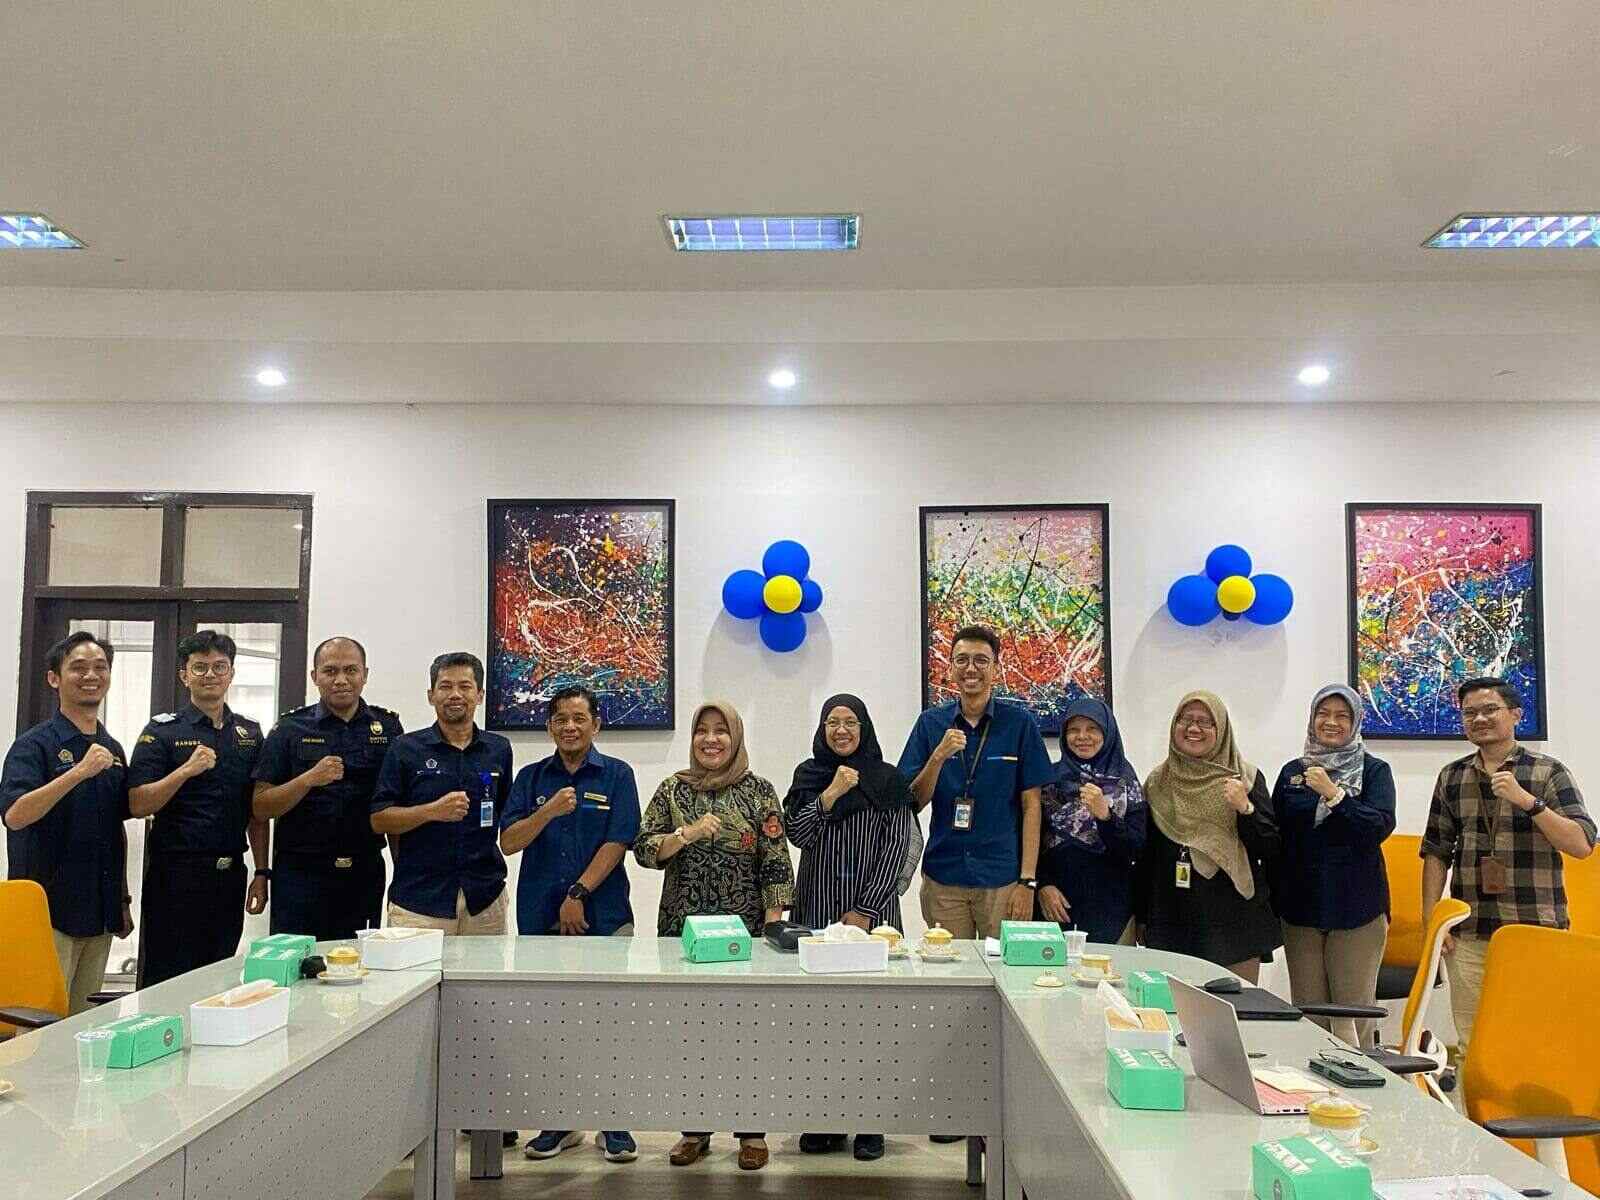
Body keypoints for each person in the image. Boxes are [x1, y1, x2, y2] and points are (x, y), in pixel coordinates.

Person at [635, 700, 794, 1172]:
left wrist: (771, 929)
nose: (710, 740)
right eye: (701, 731)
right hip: (682, 935)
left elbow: (776, 862)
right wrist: (683, 834)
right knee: (690, 1034)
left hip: (744, 936)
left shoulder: (759, 791)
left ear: (736, 737)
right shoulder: (673, 789)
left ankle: (752, 1132)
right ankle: (694, 1130)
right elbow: (643, 847)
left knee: (748, 1035)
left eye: (720, 731)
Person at [1421, 676, 1595, 1073]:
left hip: (1535, 931)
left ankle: (1532, 1115)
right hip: (1470, 932)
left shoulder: (1548, 772)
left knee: (1536, 1040)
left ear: (1515, 714)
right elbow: (1435, 851)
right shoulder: (1452, 776)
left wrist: (1528, 802)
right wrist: (1433, 918)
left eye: (1490, 710)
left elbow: (1581, 844)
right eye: (1470, 713)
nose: (1479, 719)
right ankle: (1475, 1115)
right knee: (1473, 1044)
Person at [501, 684, 641, 1166]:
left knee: (609, 1021)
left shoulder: (618, 775)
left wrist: (577, 894)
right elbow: (509, 842)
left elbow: (619, 842)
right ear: (549, 727)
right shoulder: (531, 777)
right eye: (561, 718)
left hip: (605, 915)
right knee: (551, 1023)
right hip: (539, 916)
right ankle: (559, 1122)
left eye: (579, 718)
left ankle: (614, 1123)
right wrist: (547, 811)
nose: (570, 726)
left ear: (596, 724)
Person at [785, 693, 920, 1164]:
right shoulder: (810, 776)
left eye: (850, 722)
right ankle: (824, 1118)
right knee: (819, 1021)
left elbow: (897, 848)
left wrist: (864, 910)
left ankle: (871, 1123)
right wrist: (830, 795)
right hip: (817, 912)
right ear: (822, 730)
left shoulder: (888, 780)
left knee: (874, 1022)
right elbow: (797, 835)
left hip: (873, 917)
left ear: (864, 728)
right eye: (832, 722)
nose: (841, 730)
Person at [128, 630, 269, 988]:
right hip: (177, 874)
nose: (210, 675)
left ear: (231, 674)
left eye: (219, 667)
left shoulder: (249, 734)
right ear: (184, 675)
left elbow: (256, 812)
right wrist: (185, 771)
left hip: (230, 874)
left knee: (219, 978)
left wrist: (262, 872)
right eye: (200, 667)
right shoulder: (162, 732)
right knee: (167, 979)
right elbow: (138, 803)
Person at [1, 631, 132, 1013]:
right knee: (39, 1024)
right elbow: (15, 815)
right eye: (78, 667)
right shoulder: (33, 745)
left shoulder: (112, 748)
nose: (91, 675)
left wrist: (122, 901)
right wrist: (78, 772)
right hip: (48, 914)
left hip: (100, 912)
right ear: (54, 678)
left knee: (84, 1024)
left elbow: (115, 830)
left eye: (100, 667)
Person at [898, 625, 1052, 940]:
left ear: (996, 667)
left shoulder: (1020, 724)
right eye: (962, 659)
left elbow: (1032, 806)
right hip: (944, 874)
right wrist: (938, 757)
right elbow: (913, 801)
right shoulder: (930, 724)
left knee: (1005, 965)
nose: (971, 668)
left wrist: (1027, 881)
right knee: (949, 967)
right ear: (950, 667)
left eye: (981, 660)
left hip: (1002, 877)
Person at [252, 637, 403, 941]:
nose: (341, 680)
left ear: (365, 675)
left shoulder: (388, 728)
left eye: (351, 670)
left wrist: (403, 872)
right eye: (330, 671)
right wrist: (307, 779)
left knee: (359, 962)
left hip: (364, 872)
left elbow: (393, 807)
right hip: (301, 874)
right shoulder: (289, 729)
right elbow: (260, 806)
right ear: (315, 676)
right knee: (297, 962)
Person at [1272, 685, 1396, 1046]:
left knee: (1352, 1017)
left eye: (1342, 715)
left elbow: (1378, 827)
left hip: (1357, 909)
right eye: (1323, 714)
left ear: (1355, 722)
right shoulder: (1293, 772)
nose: (1331, 722)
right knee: (1309, 1015)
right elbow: (1277, 835)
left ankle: (1362, 1079)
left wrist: (1335, 795)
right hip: (1302, 911)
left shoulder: (1374, 771)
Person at [1135, 691, 1280, 982]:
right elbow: (1146, 857)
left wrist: (1245, 808)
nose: (1193, 728)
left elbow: (1270, 846)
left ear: (1222, 729)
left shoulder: (1246, 778)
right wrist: (1142, 917)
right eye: (1185, 720)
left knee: (1237, 1007)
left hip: (1235, 924)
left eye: (1205, 722)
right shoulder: (1157, 782)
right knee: (1171, 1007)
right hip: (1172, 921)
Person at [371, 652, 512, 934]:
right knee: (415, 966)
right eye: (445, 686)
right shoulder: (405, 748)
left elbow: (505, 815)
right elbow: (379, 819)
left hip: (484, 899)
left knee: (485, 966)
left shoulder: (499, 749)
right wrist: (431, 811)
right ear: (431, 695)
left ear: (480, 695)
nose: (455, 694)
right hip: (419, 901)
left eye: (465, 686)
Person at [1036, 697, 1147, 945]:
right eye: (1073, 729)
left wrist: (1106, 816)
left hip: (1113, 909)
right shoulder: (1049, 779)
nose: (1082, 736)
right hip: (1056, 906)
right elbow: (1031, 840)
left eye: (1092, 728)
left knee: (1110, 970)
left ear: (1107, 733)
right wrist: (1042, 885)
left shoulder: (1126, 783)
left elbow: (1136, 848)